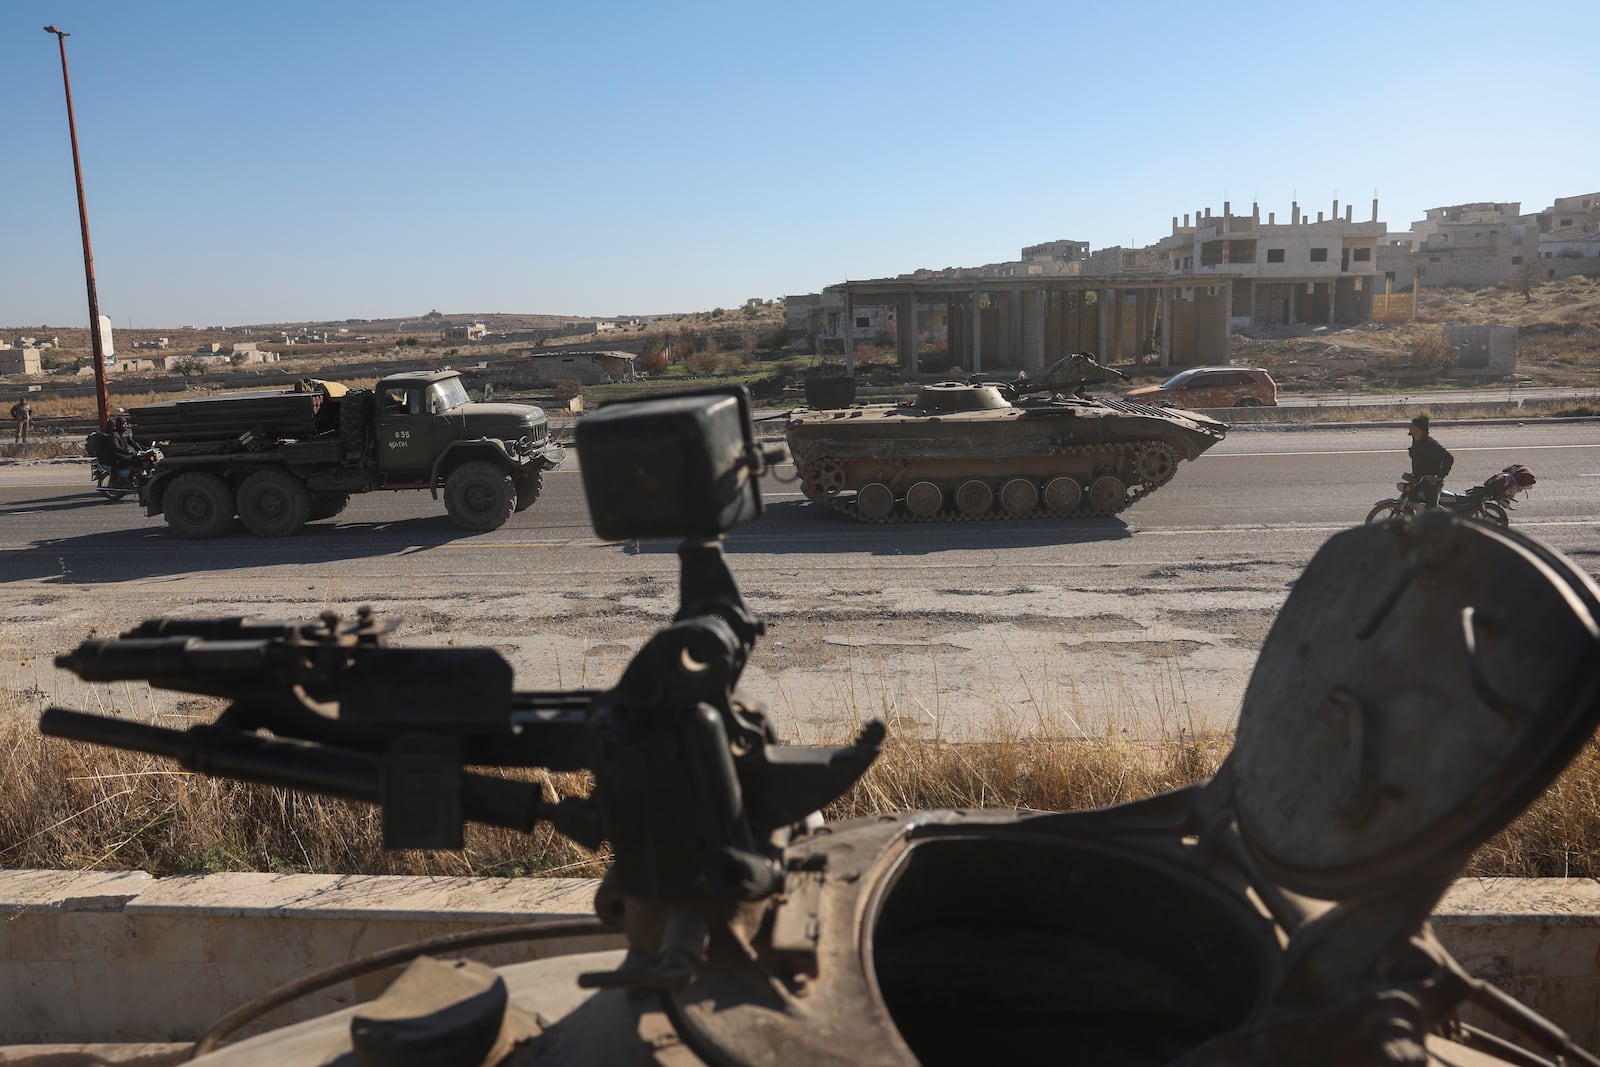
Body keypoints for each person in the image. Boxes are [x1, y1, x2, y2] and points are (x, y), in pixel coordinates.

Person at [1407, 414, 1454, 509]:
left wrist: (1439, 477)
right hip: (1420, 481)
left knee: (1430, 511)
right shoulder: (1416, 441)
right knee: (1410, 497)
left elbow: (1449, 458)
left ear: (1419, 430)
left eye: (1413, 426)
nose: (1410, 428)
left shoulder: (1431, 444)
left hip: (1431, 484)